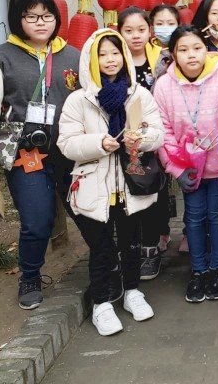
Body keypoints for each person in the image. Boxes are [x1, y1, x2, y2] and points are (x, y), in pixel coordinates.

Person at [0, 0, 80, 309]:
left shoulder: (73, 56)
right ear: (18, 20)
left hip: (71, 150)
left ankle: (105, 264)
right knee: (36, 220)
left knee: (88, 212)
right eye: (31, 16)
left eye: (46, 16)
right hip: (25, 154)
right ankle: (30, 276)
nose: (40, 22)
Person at [57, 29, 163, 336]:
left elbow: (158, 133)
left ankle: (132, 291)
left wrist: (139, 138)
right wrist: (98, 143)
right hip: (94, 185)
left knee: (130, 242)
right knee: (100, 247)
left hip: (130, 185)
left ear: (124, 56)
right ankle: (101, 303)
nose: (110, 59)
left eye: (115, 52)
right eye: (102, 54)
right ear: (91, 59)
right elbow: (67, 143)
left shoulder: (139, 94)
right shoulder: (79, 100)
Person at [154, 25, 218, 303]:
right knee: (193, 217)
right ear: (172, 54)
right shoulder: (163, 86)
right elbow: (163, 130)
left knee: (216, 217)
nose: (191, 55)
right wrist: (176, 169)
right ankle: (198, 271)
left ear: (207, 50)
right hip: (188, 168)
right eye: (183, 49)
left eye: (197, 48)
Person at [133, 4, 180, 278]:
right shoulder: (121, 57)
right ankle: (145, 239)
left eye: (170, 22)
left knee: (159, 183)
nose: (136, 35)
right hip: (132, 131)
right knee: (142, 183)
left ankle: (159, 233)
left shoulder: (166, 56)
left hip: (162, 126)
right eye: (159, 23)